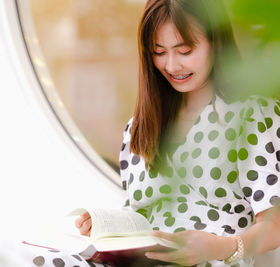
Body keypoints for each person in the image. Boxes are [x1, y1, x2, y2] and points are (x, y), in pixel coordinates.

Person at [22, 0, 280, 266]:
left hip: (209, 260)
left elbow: (274, 225)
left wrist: (219, 247)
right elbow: (143, 217)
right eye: (159, 52)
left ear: (216, 42)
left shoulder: (251, 116)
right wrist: (103, 224)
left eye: (185, 50)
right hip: (144, 260)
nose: (171, 65)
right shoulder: (139, 128)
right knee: (37, 257)